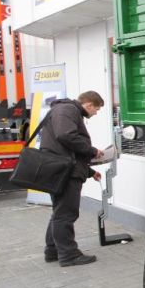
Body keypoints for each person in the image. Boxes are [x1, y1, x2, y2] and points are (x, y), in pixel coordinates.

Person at [41, 91, 105, 266]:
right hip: (65, 173)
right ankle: (69, 255)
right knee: (66, 214)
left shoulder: (64, 110)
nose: (96, 113)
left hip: (61, 169)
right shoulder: (68, 110)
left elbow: (66, 149)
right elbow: (66, 136)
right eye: (97, 109)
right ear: (89, 104)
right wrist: (93, 151)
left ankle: (53, 251)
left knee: (59, 212)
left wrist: (90, 172)